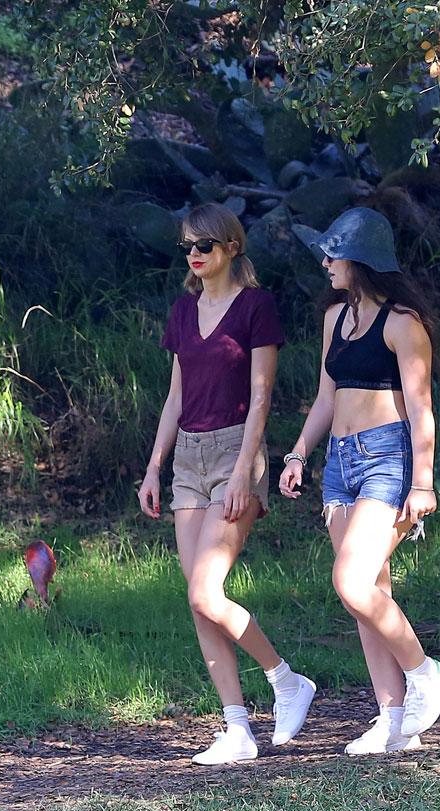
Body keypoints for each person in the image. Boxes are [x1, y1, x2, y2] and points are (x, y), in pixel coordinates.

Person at [138, 203, 315, 765]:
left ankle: (287, 681)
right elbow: (174, 397)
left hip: (236, 451)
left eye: (205, 245)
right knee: (199, 604)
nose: (194, 254)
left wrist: (244, 470)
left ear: (231, 248)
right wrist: (154, 466)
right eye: (188, 245)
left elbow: (262, 395)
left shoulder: (255, 307)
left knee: (204, 591)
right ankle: (237, 728)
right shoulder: (183, 312)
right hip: (188, 456)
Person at [279, 207, 440, 755]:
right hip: (340, 461)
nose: (326, 263)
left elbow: (421, 409)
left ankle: (425, 672)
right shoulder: (336, 318)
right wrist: (298, 453)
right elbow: (327, 397)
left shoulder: (403, 323)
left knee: (351, 582)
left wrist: (422, 484)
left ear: (364, 261)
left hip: (387, 459)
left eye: (335, 255)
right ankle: (393, 720)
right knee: (369, 592)